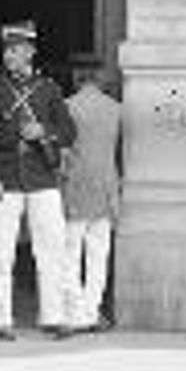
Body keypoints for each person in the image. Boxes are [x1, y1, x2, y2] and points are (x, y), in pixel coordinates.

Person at [0, 19, 77, 341]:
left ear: (30, 51)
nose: (9, 55)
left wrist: (45, 131)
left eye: (15, 49)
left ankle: (52, 316)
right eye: (6, 50)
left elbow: (69, 131)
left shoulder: (49, 89)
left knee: (52, 249)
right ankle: (1, 319)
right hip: (5, 178)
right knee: (1, 252)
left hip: (42, 177)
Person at [60, 53, 123, 334]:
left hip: (74, 187)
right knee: (99, 255)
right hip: (105, 188)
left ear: (77, 77)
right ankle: (91, 310)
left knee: (70, 254)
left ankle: (75, 313)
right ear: (99, 77)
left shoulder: (66, 107)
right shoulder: (115, 109)